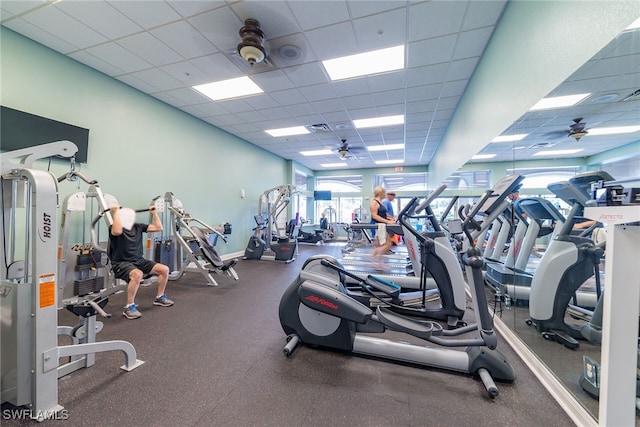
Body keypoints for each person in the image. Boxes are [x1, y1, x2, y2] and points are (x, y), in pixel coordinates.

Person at [108, 205, 172, 319]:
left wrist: (154, 213)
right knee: (138, 274)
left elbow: (159, 227)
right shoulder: (115, 227)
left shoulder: (138, 227)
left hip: (139, 261)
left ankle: (160, 297)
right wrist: (116, 212)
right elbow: (117, 232)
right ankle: (129, 306)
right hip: (121, 263)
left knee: (164, 269)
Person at [370, 186, 396, 269]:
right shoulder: (374, 202)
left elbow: (383, 213)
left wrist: (391, 218)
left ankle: (379, 263)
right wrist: (388, 221)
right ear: (381, 193)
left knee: (380, 245)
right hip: (378, 225)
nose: (385, 194)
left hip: (382, 225)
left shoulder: (380, 202)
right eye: (384, 193)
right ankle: (373, 258)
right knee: (387, 244)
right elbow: (374, 215)